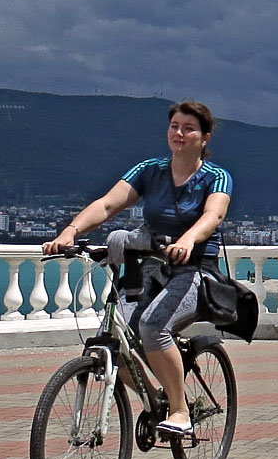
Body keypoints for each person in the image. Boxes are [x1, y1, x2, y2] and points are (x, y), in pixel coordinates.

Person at [42, 101, 232, 437]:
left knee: (152, 326)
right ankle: (155, 397)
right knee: (119, 340)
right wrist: (71, 231)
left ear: (204, 137)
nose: (179, 133)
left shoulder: (215, 177)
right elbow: (107, 204)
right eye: (174, 125)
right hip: (149, 267)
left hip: (196, 270)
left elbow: (212, 216)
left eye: (188, 128)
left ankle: (179, 410)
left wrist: (187, 240)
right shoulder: (150, 170)